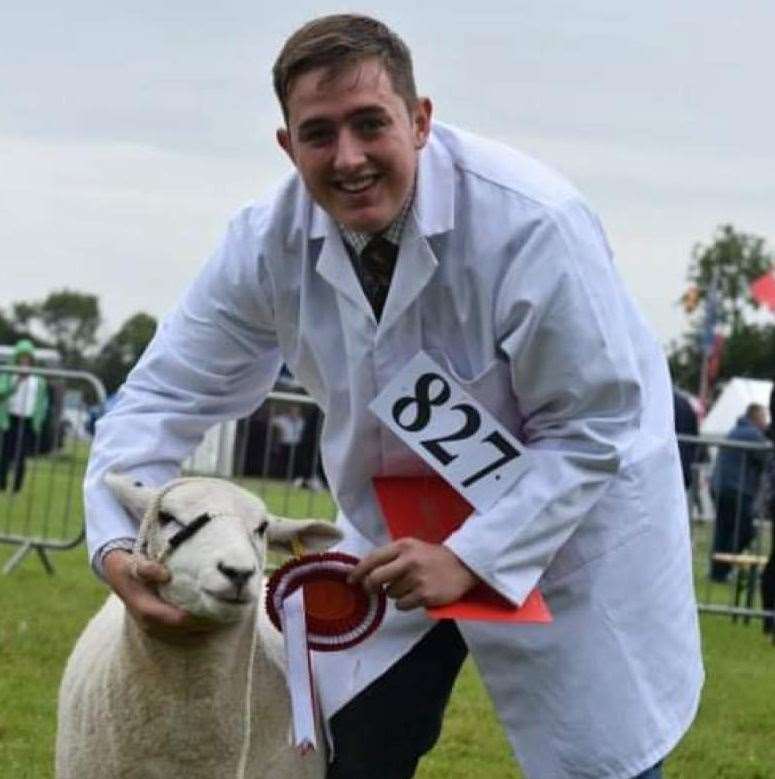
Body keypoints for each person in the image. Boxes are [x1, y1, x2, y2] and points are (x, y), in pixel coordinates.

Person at [84, 14, 703, 779]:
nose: (347, 158)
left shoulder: (532, 224)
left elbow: (593, 424)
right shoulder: (263, 243)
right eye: (317, 133)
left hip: (566, 524)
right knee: (348, 754)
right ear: (286, 144)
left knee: (598, 765)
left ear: (418, 120)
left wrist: (470, 555)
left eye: (369, 124)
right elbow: (158, 396)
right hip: (390, 540)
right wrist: (114, 544)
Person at [709, 402, 769, 582]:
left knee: (723, 531)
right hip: (738, 489)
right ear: (756, 417)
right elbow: (765, 459)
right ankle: (725, 565)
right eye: (764, 417)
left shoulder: (735, 430)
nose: (766, 422)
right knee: (746, 531)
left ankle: (717, 572)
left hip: (720, 486)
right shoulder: (753, 434)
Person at [0, 339, 48, 492]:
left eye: (27, 358)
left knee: (21, 456)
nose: (24, 361)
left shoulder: (39, 379)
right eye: (21, 357)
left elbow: (42, 401)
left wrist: (38, 421)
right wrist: (16, 382)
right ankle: (1, 484)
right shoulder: (9, 374)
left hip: (28, 421)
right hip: (10, 419)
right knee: (5, 454)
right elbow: (2, 392)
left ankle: (16, 488)